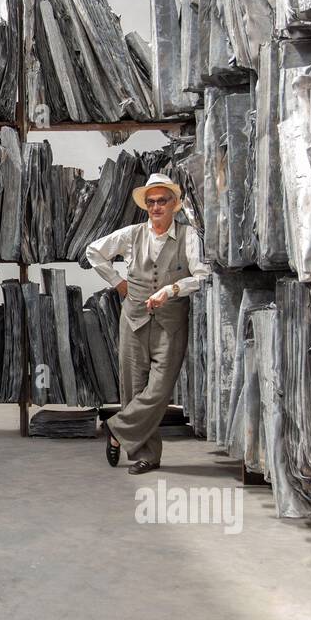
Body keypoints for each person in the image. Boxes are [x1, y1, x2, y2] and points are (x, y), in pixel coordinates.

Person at [85, 172, 210, 474]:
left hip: (171, 322)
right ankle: (147, 456)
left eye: (162, 201)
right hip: (134, 319)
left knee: (159, 391)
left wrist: (172, 289)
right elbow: (93, 251)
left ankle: (116, 430)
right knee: (133, 389)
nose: (156, 207)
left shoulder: (189, 236)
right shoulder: (132, 234)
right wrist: (118, 283)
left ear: (174, 205)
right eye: (151, 202)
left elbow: (202, 275)